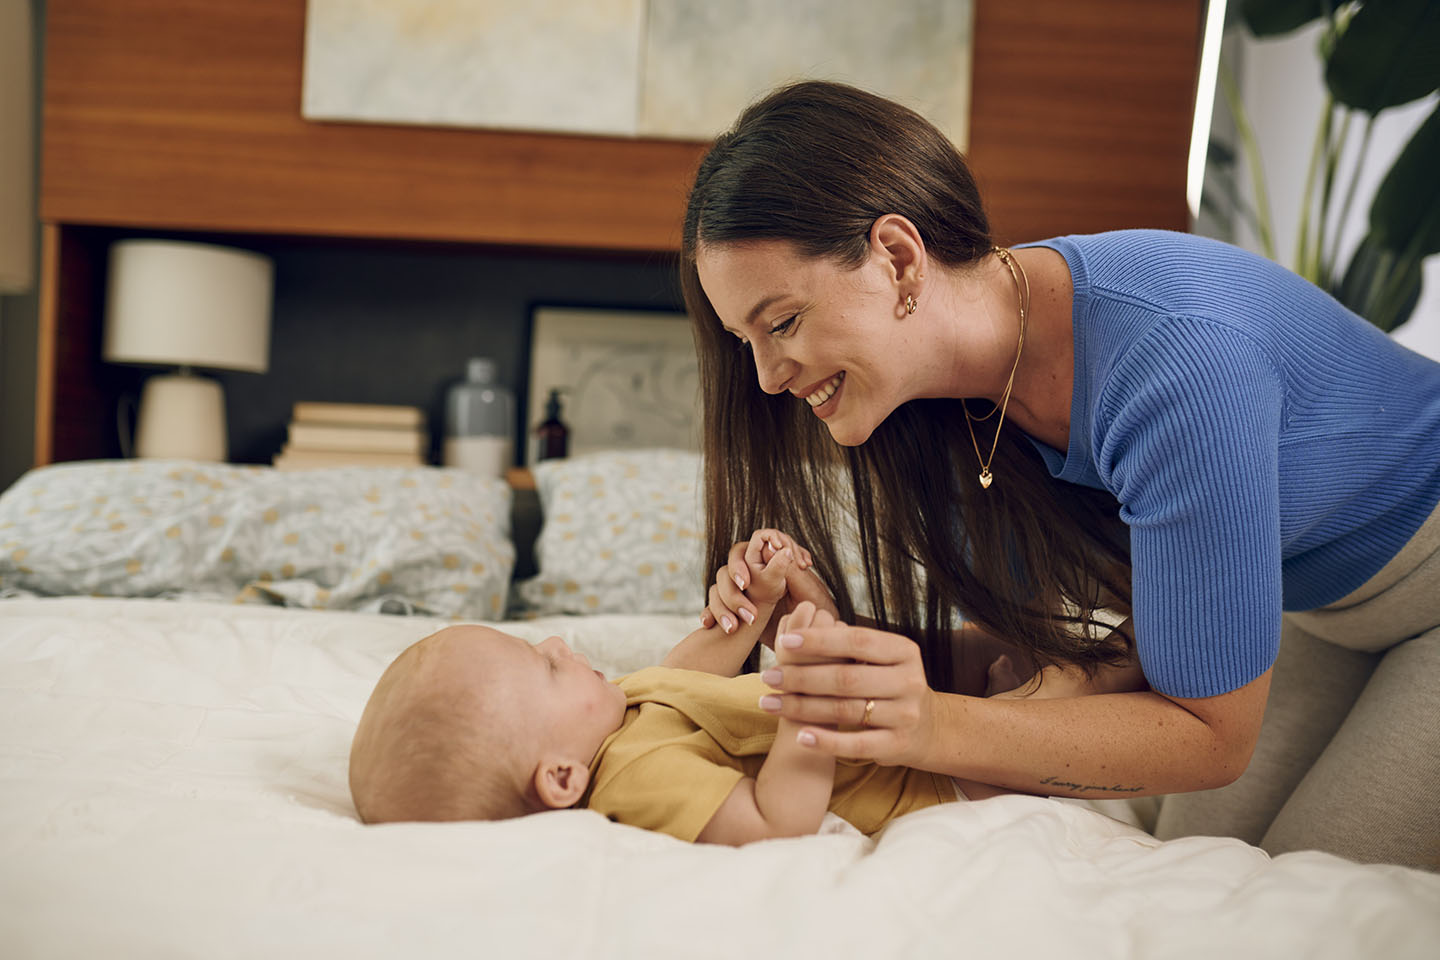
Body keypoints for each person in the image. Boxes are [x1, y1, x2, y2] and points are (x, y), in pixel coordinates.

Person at [685, 80, 1440, 870]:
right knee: (1206, 870)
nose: (768, 377)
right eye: (747, 341)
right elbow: (1039, 649)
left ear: (898, 258)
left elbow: (1210, 735)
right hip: (1319, 605)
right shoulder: (946, 410)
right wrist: (833, 648)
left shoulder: (1173, 364)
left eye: (783, 322)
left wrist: (933, 725)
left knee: (1327, 902)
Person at [348, 532, 1138, 844]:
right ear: (560, 779)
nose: (558, 641)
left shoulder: (614, 721)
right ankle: (1154, 645)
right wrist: (802, 707)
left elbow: (684, 675)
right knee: (1099, 667)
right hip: (933, 786)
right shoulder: (631, 779)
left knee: (1031, 642)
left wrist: (750, 604)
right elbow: (775, 819)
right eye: (545, 666)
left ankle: (1042, 670)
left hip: (902, 731)